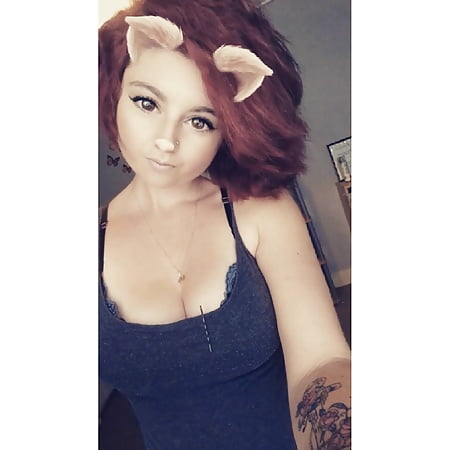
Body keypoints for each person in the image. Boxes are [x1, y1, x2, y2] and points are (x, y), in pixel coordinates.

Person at [98, 0, 351, 449]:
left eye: (200, 120)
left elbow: (321, 361)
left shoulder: (261, 212)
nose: (167, 140)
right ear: (115, 93)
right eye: (146, 102)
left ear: (227, 132)